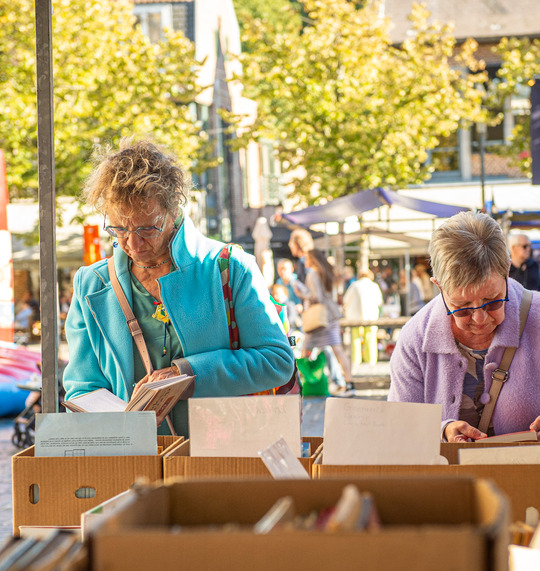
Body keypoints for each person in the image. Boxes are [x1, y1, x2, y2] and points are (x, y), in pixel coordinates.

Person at [63, 139, 294, 437]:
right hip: (133, 457)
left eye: (147, 228)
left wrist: (186, 375)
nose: (132, 244)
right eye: (119, 229)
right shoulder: (92, 283)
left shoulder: (229, 266)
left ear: (173, 212)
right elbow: (82, 386)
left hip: (222, 453)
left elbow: (276, 361)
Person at [389, 211, 540, 449]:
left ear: (506, 272)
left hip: (536, 484)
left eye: (493, 300)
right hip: (450, 486)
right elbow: (400, 428)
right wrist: (442, 431)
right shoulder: (416, 337)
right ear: (438, 287)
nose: (479, 317)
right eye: (462, 307)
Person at [293, 249, 355, 395]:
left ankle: (301, 384)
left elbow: (317, 297)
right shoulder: (326, 273)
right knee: (338, 350)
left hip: (319, 319)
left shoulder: (313, 274)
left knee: (305, 349)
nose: (305, 261)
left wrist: (301, 293)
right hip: (331, 315)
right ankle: (350, 383)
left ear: (312, 260)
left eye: (307, 258)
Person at [343, 269, 384, 367]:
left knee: (355, 339)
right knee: (370, 338)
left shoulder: (354, 285)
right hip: (370, 316)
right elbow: (379, 302)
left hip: (355, 317)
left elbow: (345, 300)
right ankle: (371, 361)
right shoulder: (374, 286)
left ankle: (356, 361)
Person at [275, 258, 302, 331]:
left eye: (285, 269)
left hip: (299, 318)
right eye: (280, 269)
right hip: (286, 316)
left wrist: (302, 305)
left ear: (292, 269)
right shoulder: (279, 282)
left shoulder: (298, 281)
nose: (282, 271)